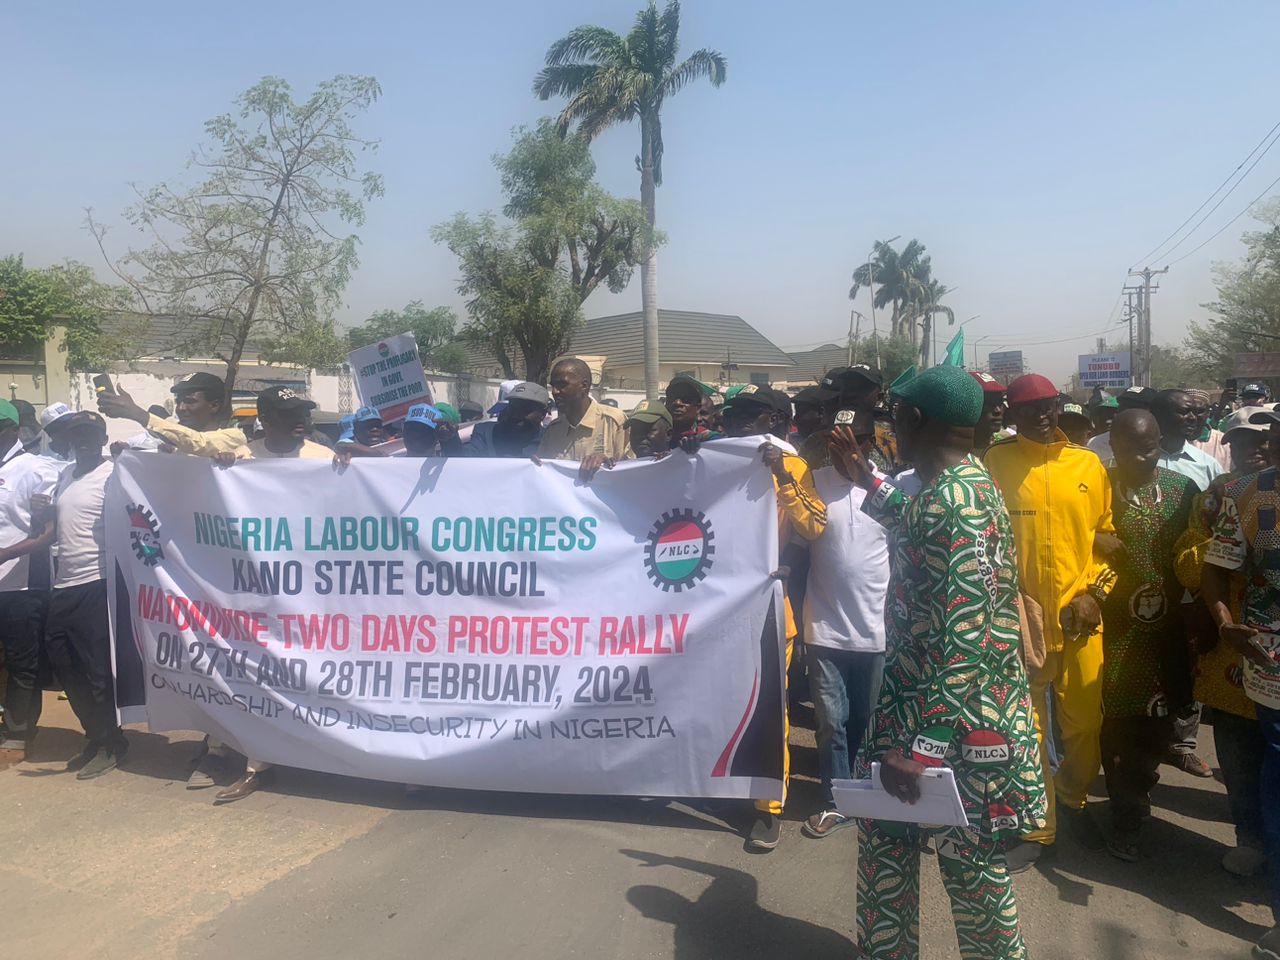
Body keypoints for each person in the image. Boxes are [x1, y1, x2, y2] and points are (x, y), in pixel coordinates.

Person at [840, 365, 1044, 960]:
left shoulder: (955, 504)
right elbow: (919, 531)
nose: (888, 429)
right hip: (932, 704)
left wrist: (923, 746)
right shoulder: (966, 484)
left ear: (914, 419)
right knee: (924, 848)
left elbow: (967, 637)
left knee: (959, 862)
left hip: (949, 719)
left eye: (892, 417)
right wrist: (869, 485)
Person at [985, 372, 1116, 870]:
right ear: (1011, 414)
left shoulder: (1087, 465)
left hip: (1080, 620)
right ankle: (1039, 826)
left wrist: (1094, 593)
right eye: (1029, 408)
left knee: (1084, 724)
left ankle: (1073, 797)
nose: (1042, 415)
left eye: (1049, 405)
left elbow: (1106, 539)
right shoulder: (994, 464)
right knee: (1028, 728)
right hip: (1019, 622)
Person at [722, 383, 828, 849]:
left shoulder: (796, 465)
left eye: (753, 414)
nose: (740, 423)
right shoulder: (711, 459)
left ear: (773, 421)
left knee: (769, 710)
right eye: (736, 414)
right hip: (713, 608)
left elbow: (811, 526)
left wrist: (783, 477)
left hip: (768, 607)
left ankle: (768, 805)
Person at [1174, 406, 1272, 878]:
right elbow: (1191, 567)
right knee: (1237, 753)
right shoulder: (1219, 496)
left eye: (1266, 437)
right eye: (1245, 439)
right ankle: (1250, 838)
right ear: (1228, 443)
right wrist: (1226, 556)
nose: (1258, 447)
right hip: (1232, 649)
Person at [1, 413, 127, 779]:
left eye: (91, 435)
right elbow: (51, 533)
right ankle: (96, 735)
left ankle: (113, 742)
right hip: (64, 584)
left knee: (97, 670)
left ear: (103, 438)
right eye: (78, 437)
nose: (84, 442)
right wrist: (13, 550)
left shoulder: (115, 476)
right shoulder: (64, 475)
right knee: (65, 667)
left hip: (98, 583)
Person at [1098, 410, 1197, 861]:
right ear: (1112, 445)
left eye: (1149, 447)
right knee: (1116, 735)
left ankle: (1142, 789)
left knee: (1158, 732)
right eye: (1127, 448)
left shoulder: (1183, 492)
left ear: (1161, 441)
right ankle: (1127, 817)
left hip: (1166, 642)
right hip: (1112, 639)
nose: (1139, 456)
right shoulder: (1096, 489)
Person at [1201, 405, 1280, 960]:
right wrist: (1226, 625)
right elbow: (1216, 567)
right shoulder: (1248, 494)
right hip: (1270, 665)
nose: (1271, 444)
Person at [799, 408, 888, 839]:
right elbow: (790, 544)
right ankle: (835, 802)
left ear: (869, 444)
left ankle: (864, 794)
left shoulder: (890, 489)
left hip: (876, 631)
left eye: (854, 441)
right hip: (824, 627)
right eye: (835, 441)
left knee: (866, 721)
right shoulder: (811, 484)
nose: (843, 450)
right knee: (831, 720)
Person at [0, 400, 62, 765]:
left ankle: (19, 734)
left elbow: (48, 532)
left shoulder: (38, 470)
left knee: (23, 661)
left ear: (12, 430)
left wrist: (8, 553)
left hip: (22, 584)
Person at [98, 371, 245, 456]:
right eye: (179, 401)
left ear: (213, 406)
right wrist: (128, 455)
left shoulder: (234, 438)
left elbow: (199, 443)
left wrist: (137, 413)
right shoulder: (170, 439)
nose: (181, 408)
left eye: (190, 401)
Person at [801, 365, 900, 474]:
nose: (851, 394)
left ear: (879, 397)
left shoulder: (892, 439)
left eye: (862, 389)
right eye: (847, 387)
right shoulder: (815, 442)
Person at [538, 358, 630, 462]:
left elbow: (630, 469)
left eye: (562, 385)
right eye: (553, 385)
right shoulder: (553, 430)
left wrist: (605, 462)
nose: (555, 391)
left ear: (584, 386)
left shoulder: (613, 422)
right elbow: (545, 472)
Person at [462, 382, 549, 458]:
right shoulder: (486, 433)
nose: (516, 415)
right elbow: (462, 457)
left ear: (542, 414)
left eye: (525, 409)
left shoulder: (550, 440)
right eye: (513, 408)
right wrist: (451, 439)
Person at [1088, 386, 1157, 462]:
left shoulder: (1165, 447)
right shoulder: (1095, 444)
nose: (1127, 413)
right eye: (1123, 406)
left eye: (1134, 407)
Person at [663, 374, 720, 447]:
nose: (677, 403)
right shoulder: (654, 438)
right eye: (672, 398)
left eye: (686, 399)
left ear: (698, 408)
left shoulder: (712, 440)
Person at [1188, 388, 1231, 471]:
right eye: (1186, 411)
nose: (1192, 416)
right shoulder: (1168, 442)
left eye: (1199, 411)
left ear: (1208, 413)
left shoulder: (1223, 442)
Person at [971, 372, 1007, 452]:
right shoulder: (949, 457)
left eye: (1000, 402)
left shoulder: (1008, 446)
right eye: (988, 403)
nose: (998, 411)